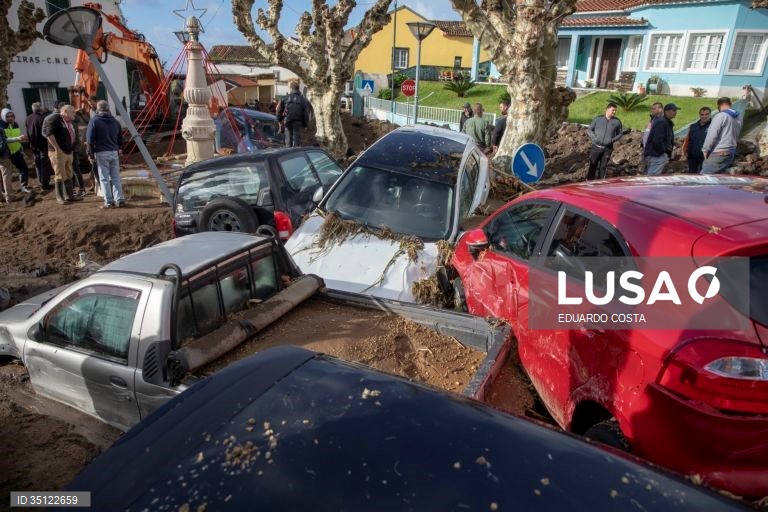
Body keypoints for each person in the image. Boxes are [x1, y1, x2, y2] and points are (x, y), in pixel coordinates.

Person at [86, 100, 126, 209]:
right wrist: (120, 148)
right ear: (108, 109)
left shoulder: (94, 121)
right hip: (114, 152)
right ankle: (119, 199)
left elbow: (89, 140)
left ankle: (108, 201)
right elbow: (120, 138)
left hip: (101, 152)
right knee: (116, 177)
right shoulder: (115, 121)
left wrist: (90, 154)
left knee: (104, 178)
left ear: (98, 109)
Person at [43, 104, 82, 205]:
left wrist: (73, 148)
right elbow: (49, 134)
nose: (74, 113)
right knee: (60, 174)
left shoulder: (71, 122)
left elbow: (74, 135)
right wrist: (57, 148)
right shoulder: (55, 119)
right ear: (65, 112)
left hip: (69, 151)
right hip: (58, 152)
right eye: (72, 111)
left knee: (69, 173)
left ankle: (69, 196)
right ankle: (60, 197)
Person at [701, 97, 743, 175]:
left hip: (719, 152)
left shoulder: (721, 116)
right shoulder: (739, 117)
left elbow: (712, 135)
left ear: (719, 106)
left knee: (704, 177)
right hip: (730, 152)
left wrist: (705, 149)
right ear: (730, 105)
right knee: (719, 178)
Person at [585, 102, 623, 180]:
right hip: (596, 147)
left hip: (607, 148)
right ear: (607, 109)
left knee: (603, 167)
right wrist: (594, 137)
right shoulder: (598, 119)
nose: (614, 112)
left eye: (615, 110)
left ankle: (601, 184)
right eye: (613, 110)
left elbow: (620, 134)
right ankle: (588, 182)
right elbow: (589, 130)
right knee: (593, 165)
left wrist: (612, 140)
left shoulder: (617, 122)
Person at [0, 108, 31, 194]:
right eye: (8, 116)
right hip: (5, 153)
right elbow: (4, 140)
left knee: (24, 168)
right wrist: (17, 138)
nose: (10, 118)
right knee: (5, 174)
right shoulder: (1, 125)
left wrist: (21, 142)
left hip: (16, 151)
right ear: (3, 116)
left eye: (12, 116)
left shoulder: (15, 124)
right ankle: (5, 191)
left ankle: (24, 186)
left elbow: (17, 137)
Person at [644, 103, 679, 176]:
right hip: (656, 156)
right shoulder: (662, 122)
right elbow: (657, 140)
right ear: (667, 112)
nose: (676, 112)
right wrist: (663, 152)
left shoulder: (664, 122)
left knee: (651, 178)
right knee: (652, 179)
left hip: (656, 155)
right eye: (674, 110)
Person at [26, 102, 54, 191]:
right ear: (40, 109)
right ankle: (45, 184)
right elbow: (45, 133)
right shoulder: (42, 118)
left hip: (34, 145)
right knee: (45, 164)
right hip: (43, 145)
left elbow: (28, 132)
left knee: (38, 164)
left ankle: (40, 181)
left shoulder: (28, 118)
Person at [277, 80, 310, 147]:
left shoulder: (285, 98)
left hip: (288, 121)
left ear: (291, 88)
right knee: (297, 140)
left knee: (288, 141)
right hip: (298, 122)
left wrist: (280, 120)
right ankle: (295, 154)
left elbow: (279, 110)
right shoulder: (303, 99)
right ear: (298, 88)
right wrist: (305, 125)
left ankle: (288, 154)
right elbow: (306, 113)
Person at [681, 107, 711, 174]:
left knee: (704, 176)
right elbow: (688, 140)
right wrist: (685, 151)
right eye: (702, 114)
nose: (704, 116)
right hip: (692, 156)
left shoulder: (713, 126)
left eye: (706, 114)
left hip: (706, 157)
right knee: (691, 175)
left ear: (710, 115)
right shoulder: (693, 126)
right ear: (699, 115)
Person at [640, 102, 663, 173]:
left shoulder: (661, 121)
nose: (652, 110)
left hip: (652, 150)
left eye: (654, 109)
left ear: (660, 109)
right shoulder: (653, 119)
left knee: (650, 172)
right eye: (652, 109)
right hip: (646, 148)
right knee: (644, 170)